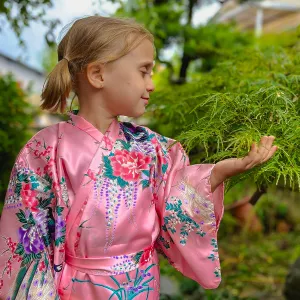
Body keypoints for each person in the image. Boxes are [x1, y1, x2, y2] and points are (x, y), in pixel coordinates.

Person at [0, 16, 277, 300]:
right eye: (144, 71)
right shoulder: (44, 150)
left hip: (142, 286)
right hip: (76, 290)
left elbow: (176, 198)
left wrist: (219, 172)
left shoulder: (152, 147)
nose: (152, 84)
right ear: (98, 75)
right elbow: (26, 244)